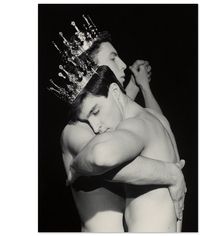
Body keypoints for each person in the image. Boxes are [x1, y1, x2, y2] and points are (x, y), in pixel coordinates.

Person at [50, 18, 186, 232]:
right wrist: (172, 174)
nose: (123, 64)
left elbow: (159, 126)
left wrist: (142, 86)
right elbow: (103, 161)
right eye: (113, 58)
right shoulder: (76, 130)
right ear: (92, 70)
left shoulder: (112, 117)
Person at [67, 65, 185, 232]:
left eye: (95, 111)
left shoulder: (135, 125)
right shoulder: (156, 118)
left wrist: (75, 166)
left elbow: (100, 156)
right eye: (87, 121)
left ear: (115, 92)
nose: (95, 127)